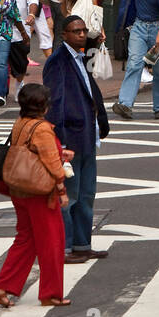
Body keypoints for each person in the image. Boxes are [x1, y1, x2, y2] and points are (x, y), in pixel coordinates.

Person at [0, 83, 72, 307]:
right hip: (40, 192)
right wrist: (61, 189)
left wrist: (59, 152)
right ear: (43, 106)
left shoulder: (20, 123)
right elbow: (53, 165)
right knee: (52, 241)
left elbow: (29, 152)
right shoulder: (42, 128)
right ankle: (51, 293)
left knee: (26, 239)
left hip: (19, 189)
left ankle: (2, 285)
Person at [44, 16, 110, 264]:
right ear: (64, 35)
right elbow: (55, 104)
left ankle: (83, 244)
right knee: (68, 198)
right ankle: (65, 247)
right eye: (76, 31)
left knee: (86, 196)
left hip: (88, 138)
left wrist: (101, 122)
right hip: (70, 140)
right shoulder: (57, 62)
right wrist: (59, 143)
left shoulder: (82, 58)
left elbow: (92, 93)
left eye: (84, 30)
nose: (82, 35)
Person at [1, 0, 40, 100]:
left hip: (20, 32)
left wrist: (31, 15)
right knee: (0, 64)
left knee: (21, 65)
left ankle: (18, 83)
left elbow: (33, 1)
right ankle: (1, 92)